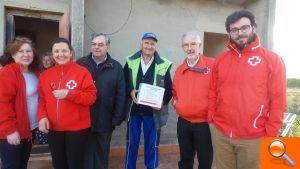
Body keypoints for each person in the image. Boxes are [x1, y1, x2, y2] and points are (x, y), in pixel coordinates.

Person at [208, 10, 286, 169]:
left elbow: (278, 99)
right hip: (221, 134)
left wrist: (271, 132)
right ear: (229, 33)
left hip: (254, 137)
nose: (240, 33)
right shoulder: (220, 60)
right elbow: (213, 92)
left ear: (254, 28)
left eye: (244, 28)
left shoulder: (272, 60)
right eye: (234, 30)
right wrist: (211, 120)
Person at [38, 37, 97, 169]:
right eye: (56, 51)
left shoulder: (82, 72)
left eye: (64, 51)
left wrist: (69, 94)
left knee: (75, 165)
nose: (60, 54)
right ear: (52, 54)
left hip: (77, 130)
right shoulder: (45, 75)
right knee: (58, 164)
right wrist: (42, 117)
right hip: (54, 129)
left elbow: (91, 97)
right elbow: (42, 100)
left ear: (70, 53)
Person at [124, 33, 172, 169]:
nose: (149, 46)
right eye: (146, 43)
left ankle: (151, 167)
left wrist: (162, 103)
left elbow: (169, 88)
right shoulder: (130, 61)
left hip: (153, 113)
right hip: (133, 111)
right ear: (141, 44)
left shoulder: (164, 64)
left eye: (152, 44)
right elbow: (124, 81)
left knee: (152, 144)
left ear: (155, 46)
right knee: (132, 143)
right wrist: (130, 91)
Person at [77, 33, 126, 169]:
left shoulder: (116, 67)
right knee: (83, 154)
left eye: (100, 44)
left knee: (101, 155)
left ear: (108, 47)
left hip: (105, 119)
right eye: (94, 44)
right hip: (83, 119)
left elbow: (121, 94)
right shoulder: (81, 64)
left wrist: (117, 118)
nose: (96, 47)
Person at [172, 31, 214, 169]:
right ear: (182, 47)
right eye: (186, 45)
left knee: (205, 161)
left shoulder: (212, 65)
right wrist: (177, 104)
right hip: (183, 123)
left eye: (193, 44)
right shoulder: (179, 70)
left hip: (204, 125)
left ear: (199, 45)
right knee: (185, 160)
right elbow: (174, 93)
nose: (189, 48)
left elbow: (221, 92)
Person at [0, 37, 40, 169]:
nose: (25, 55)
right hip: (12, 130)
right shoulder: (8, 72)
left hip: (29, 130)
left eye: (29, 51)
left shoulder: (34, 73)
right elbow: (3, 103)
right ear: (13, 54)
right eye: (21, 51)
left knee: (22, 165)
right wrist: (10, 130)